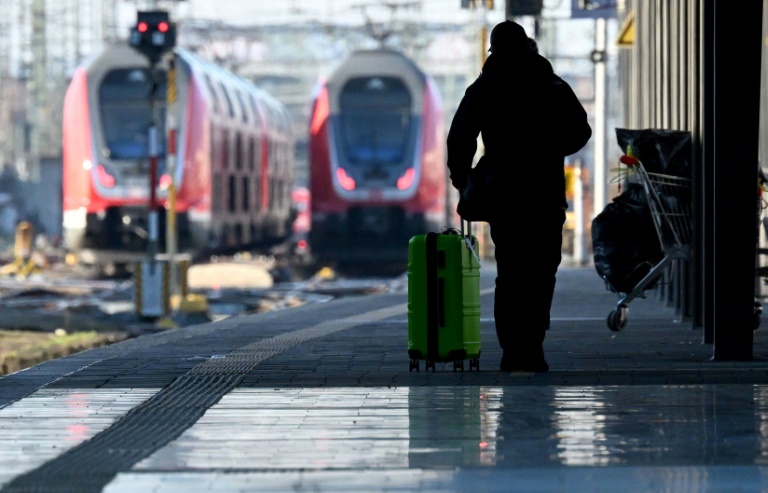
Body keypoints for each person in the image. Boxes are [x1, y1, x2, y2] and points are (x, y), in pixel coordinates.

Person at [447, 20, 592, 372]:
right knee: (542, 272)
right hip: (545, 195)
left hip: (504, 197)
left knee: (511, 273)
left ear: (494, 51)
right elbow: (580, 130)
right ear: (529, 46)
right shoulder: (551, 84)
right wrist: (550, 148)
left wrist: (463, 179)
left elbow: (459, 137)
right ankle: (533, 347)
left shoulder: (485, 87)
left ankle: (513, 351)